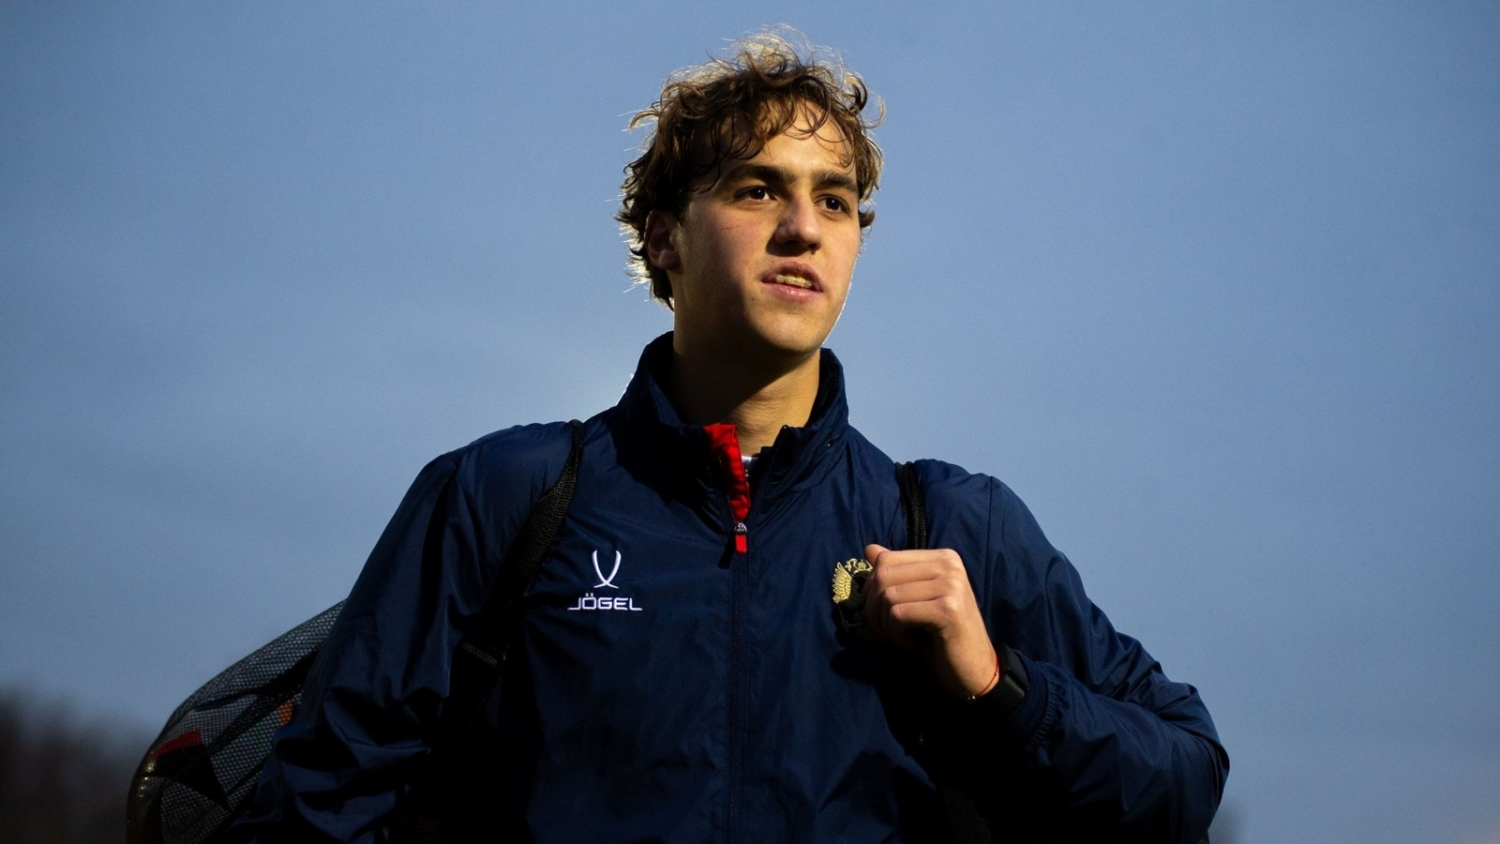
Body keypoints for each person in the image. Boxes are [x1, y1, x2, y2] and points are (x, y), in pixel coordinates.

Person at [234, 30, 1227, 843]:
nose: (804, 228)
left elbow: (1184, 778)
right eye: (758, 190)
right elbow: (321, 807)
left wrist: (996, 685)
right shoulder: (506, 496)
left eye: (834, 200)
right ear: (665, 236)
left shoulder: (955, 526)